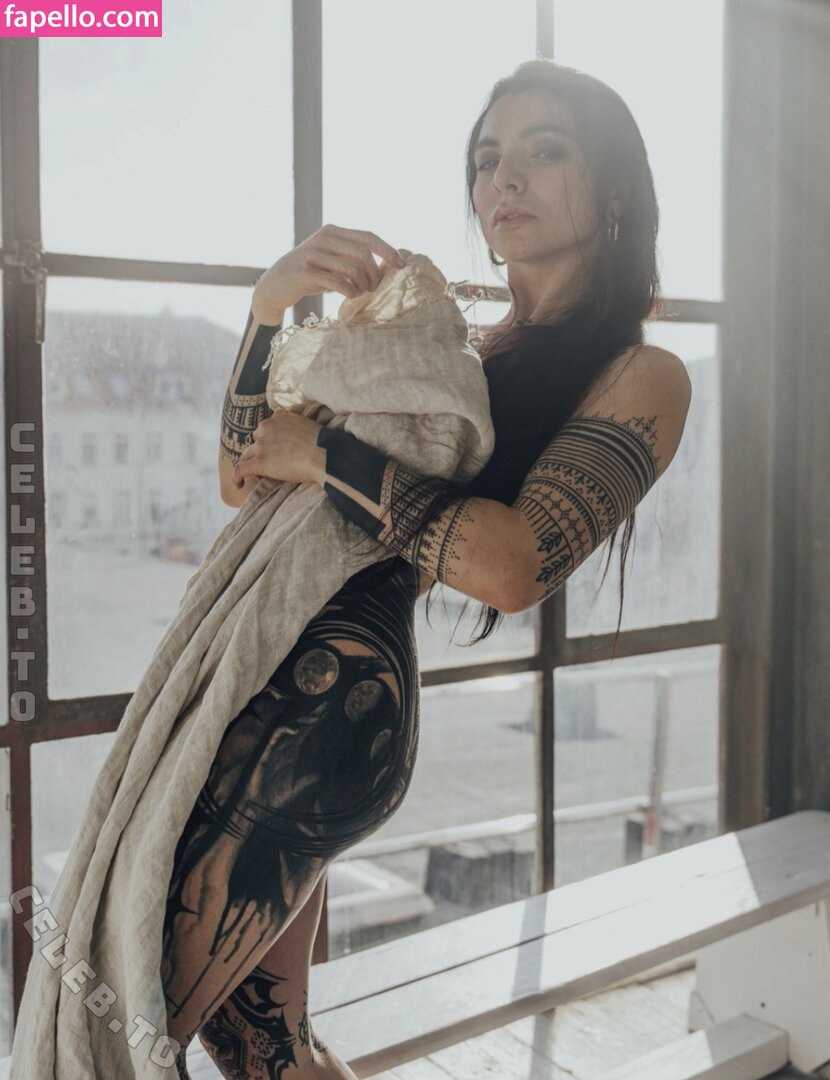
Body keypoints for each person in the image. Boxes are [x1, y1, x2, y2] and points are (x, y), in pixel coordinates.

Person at [164, 58, 692, 1080]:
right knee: (260, 1047)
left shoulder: (643, 373)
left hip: (328, 712)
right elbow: (244, 475)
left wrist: (328, 455)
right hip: (263, 682)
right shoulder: (457, 350)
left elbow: (511, 568)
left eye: (546, 151)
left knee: (146, 1031)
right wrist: (269, 309)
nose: (505, 178)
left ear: (615, 187)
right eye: (487, 159)